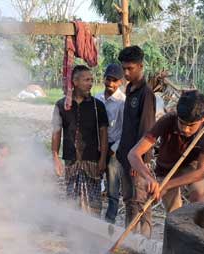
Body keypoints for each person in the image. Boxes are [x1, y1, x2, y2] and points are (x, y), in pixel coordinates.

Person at [128, 90, 204, 214]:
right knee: (174, 214)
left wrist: (167, 185)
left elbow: (201, 171)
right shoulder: (167, 121)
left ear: (202, 120)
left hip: (192, 167)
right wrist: (149, 177)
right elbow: (133, 154)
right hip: (166, 169)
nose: (185, 129)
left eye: (191, 125)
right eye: (182, 123)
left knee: (199, 200)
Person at [51, 65, 109, 216]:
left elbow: (103, 133)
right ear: (75, 82)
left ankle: (93, 229)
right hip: (71, 160)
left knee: (94, 201)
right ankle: (74, 231)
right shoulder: (61, 105)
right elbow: (56, 131)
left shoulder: (98, 106)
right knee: (72, 200)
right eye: (86, 80)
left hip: (92, 160)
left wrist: (103, 158)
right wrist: (55, 156)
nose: (90, 83)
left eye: (91, 80)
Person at [115, 45, 156, 237]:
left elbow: (146, 131)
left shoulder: (146, 94)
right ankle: (129, 238)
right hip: (126, 156)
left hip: (137, 160)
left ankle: (144, 242)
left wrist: (137, 161)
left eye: (130, 68)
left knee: (141, 202)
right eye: (124, 68)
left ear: (140, 66)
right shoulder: (130, 90)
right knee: (129, 200)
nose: (125, 72)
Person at [94, 64, 125, 224]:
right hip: (98, 147)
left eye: (114, 81)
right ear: (104, 79)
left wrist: (113, 149)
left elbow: (125, 129)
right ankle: (94, 217)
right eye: (108, 79)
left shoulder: (122, 102)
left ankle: (109, 220)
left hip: (113, 149)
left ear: (120, 82)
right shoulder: (97, 99)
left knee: (113, 187)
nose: (110, 84)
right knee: (94, 182)